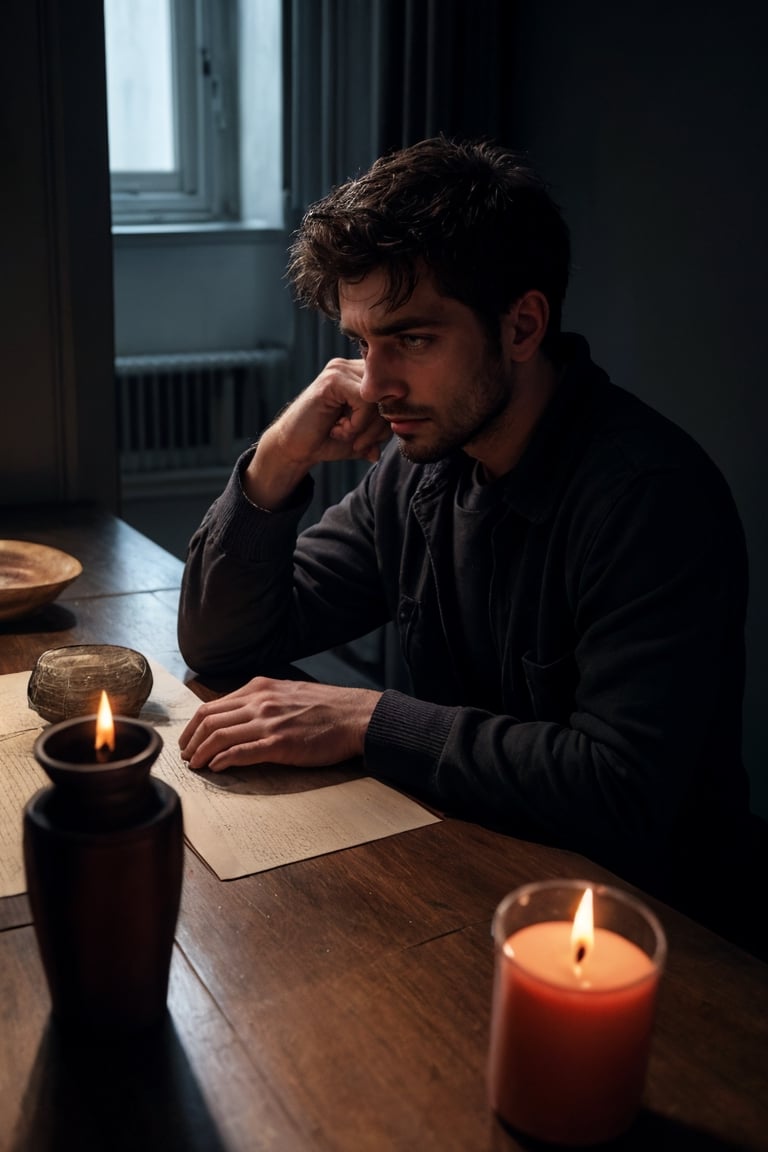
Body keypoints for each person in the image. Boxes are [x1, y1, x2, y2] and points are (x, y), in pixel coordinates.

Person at [177, 136, 753, 946]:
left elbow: (619, 789)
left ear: (521, 326)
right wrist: (277, 460)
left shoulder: (651, 500)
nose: (374, 386)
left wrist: (366, 718)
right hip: (473, 877)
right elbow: (223, 641)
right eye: (361, 343)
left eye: (412, 340)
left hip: (660, 932)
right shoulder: (420, 470)